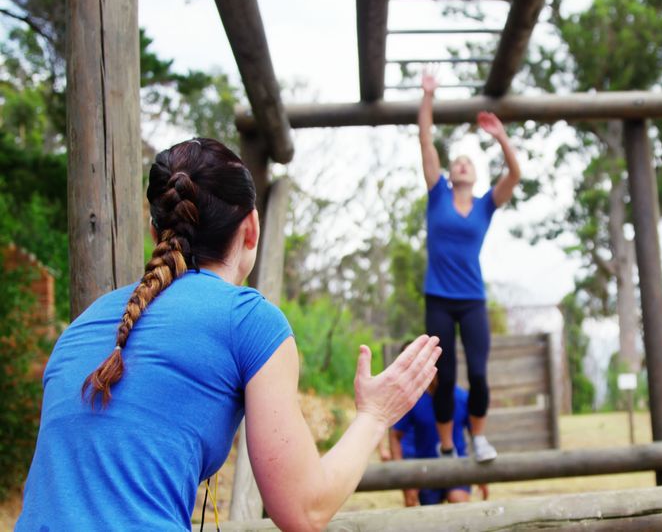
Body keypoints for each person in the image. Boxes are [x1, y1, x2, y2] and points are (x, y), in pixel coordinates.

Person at [16, 138, 441, 531]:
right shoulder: (249, 320)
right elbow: (304, 509)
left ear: (155, 234)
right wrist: (376, 415)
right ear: (252, 228)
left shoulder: (83, 323)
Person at [418, 72, 521, 462]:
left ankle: (478, 439)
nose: (461, 165)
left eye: (467, 162)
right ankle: (447, 446)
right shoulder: (437, 196)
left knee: (478, 374)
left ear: (475, 176)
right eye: (456, 162)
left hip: (473, 299)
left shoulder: (485, 205)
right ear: (448, 173)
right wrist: (428, 95)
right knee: (444, 378)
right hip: (438, 299)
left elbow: (515, 174)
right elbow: (425, 139)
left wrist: (500, 137)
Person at [389, 378, 489, 506]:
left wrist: (481, 475)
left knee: (458, 500)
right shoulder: (414, 401)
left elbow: (476, 436)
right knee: (428, 512)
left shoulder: (461, 398)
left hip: (457, 466)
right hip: (425, 469)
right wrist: (401, 472)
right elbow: (395, 435)